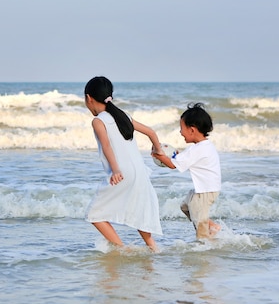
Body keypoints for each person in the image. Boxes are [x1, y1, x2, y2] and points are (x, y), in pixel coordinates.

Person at [84, 76, 164, 251]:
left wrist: (115, 170)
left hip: (122, 172)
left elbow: (106, 146)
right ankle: (153, 247)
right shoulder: (124, 116)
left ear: (89, 98)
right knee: (138, 210)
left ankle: (121, 248)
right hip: (140, 172)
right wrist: (158, 150)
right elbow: (151, 132)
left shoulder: (98, 121)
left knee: (94, 214)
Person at [152, 103, 222, 240]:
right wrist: (175, 156)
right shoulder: (204, 146)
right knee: (186, 207)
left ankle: (204, 244)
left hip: (205, 191)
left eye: (181, 128)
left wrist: (159, 156)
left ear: (192, 130)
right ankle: (212, 226)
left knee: (199, 219)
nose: (180, 132)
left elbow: (173, 165)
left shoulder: (196, 149)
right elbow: (184, 159)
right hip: (206, 188)